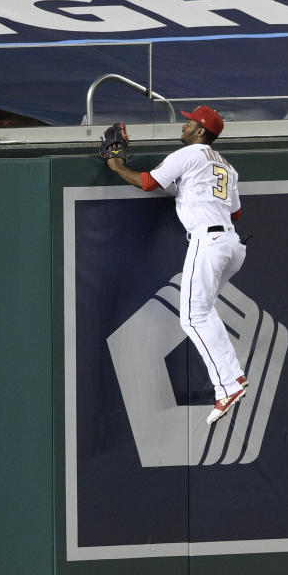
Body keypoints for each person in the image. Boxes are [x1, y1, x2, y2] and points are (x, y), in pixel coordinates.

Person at [106, 105, 248, 425]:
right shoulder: (226, 164)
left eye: (188, 123)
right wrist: (191, 189)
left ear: (201, 132)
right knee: (203, 313)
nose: (183, 127)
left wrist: (115, 165)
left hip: (207, 243)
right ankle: (232, 378)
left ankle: (228, 383)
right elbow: (235, 212)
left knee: (193, 316)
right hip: (231, 246)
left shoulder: (189, 154)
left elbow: (147, 182)